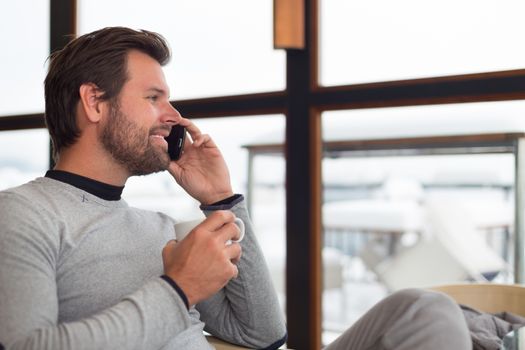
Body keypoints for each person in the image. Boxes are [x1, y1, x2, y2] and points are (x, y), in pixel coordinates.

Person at [0, 27, 471, 350]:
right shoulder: (24, 214)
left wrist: (220, 201)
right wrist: (178, 288)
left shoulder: (159, 227)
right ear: (93, 102)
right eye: (152, 97)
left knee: (423, 311)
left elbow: (261, 334)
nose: (173, 114)